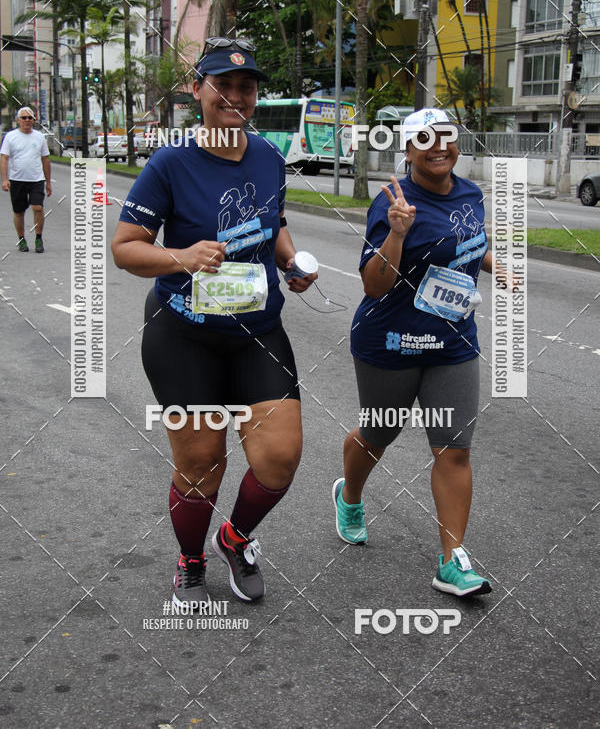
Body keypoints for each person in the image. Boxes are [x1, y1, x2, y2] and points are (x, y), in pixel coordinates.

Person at [111, 39, 316, 607]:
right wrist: (182, 257)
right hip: (184, 334)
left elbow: (273, 222)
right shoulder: (170, 162)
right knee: (202, 463)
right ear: (197, 90)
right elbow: (125, 248)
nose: (235, 96)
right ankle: (191, 559)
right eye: (222, 85)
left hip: (257, 332)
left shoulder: (268, 156)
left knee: (279, 457)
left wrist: (290, 262)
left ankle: (236, 538)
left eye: (246, 87)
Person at [333, 107, 500, 598]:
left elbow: (468, 245)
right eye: (424, 139)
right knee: (379, 433)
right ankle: (350, 495)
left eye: (445, 136)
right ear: (407, 150)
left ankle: (452, 561)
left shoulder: (471, 195)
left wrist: (498, 264)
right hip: (391, 341)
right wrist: (398, 233)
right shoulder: (393, 202)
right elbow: (374, 285)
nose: (438, 147)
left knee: (454, 448)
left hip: (453, 343)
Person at [1, 106, 51, 252]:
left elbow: (45, 159)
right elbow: (4, 158)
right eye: (24, 118)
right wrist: (5, 179)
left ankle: (38, 238)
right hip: (17, 179)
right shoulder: (10, 137)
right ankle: (21, 239)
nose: (27, 120)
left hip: (36, 179)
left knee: (38, 207)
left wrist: (48, 182)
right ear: (19, 120)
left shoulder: (39, 137)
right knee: (19, 212)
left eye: (30, 118)